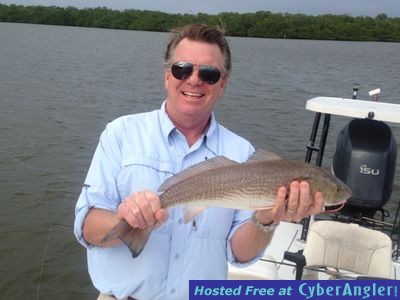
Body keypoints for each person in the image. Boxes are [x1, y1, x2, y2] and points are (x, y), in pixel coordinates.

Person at [74, 24, 324, 300]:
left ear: (223, 83)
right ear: (167, 76)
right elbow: (87, 226)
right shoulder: (121, 134)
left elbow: (240, 255)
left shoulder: (243, 154)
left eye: (208, 73)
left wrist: (268, 217)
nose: (194, 80)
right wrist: (125, 219)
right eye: (182, 69)